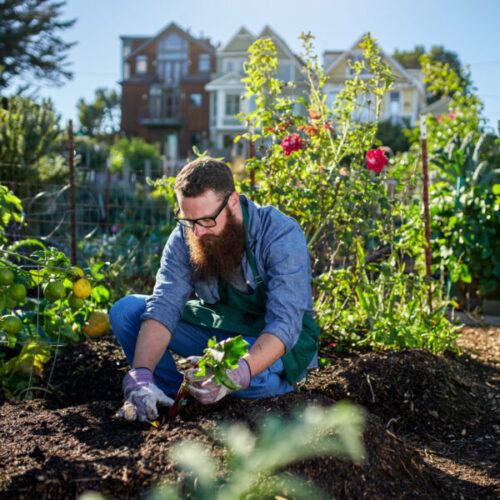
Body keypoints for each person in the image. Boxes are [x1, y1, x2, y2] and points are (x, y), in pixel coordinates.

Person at [110, 157, 319, 422]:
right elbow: (164, 304)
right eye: (188, 220)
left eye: (207, 220)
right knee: (126, 312)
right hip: (221, 329)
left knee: (253, 383)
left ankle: (277, 389)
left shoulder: (279, 234)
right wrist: (141, 374)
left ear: (233, 201)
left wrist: (240, 370)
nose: (196, 232)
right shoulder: (187, 234)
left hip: (275, 339)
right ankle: (165, 397)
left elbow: (285, 323)